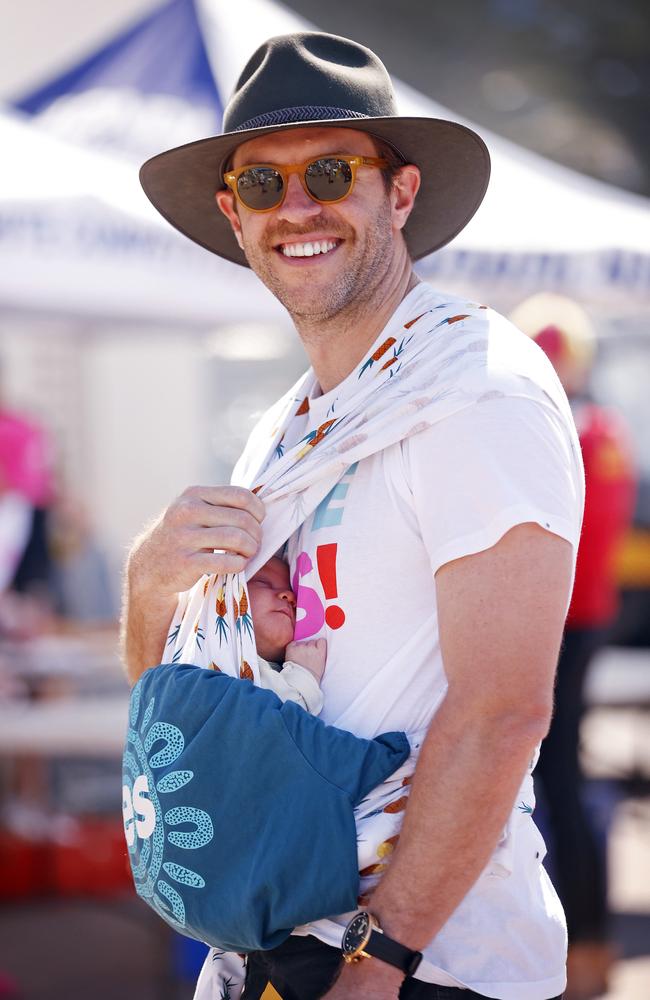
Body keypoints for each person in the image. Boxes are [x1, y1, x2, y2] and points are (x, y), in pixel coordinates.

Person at [122, 31, 584, 1000]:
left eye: (330, 171)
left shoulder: (473, 388)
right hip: (278, 942)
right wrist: (149, 583)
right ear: (233, 215)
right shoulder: (285, 431)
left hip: (430, 963)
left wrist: (380, 965)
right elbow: (185, 715)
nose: (295, 207)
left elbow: (501, 709)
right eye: (261, 184)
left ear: (398, 193)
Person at [510, 293, 637, 1000]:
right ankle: (588, 946)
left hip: (557, 625)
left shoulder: (563, 431)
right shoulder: (606, 428)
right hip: (584, 623)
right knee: (562, 781)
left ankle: (575, 949)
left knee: (548, 783)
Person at [245, 554, 326, 714]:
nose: (289, 596)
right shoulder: (196, 648)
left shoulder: (274, 678)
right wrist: (304, 674)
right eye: (263, 582)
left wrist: (302, 673)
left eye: (295, 593)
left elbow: (280, 723)